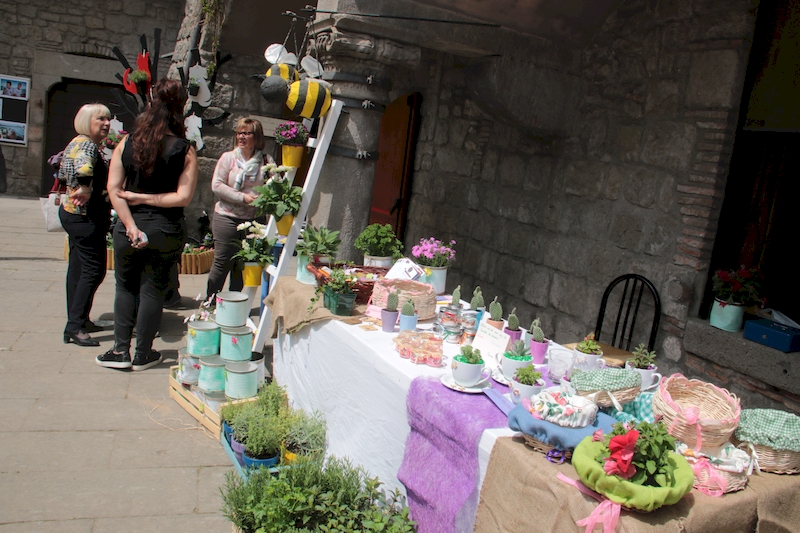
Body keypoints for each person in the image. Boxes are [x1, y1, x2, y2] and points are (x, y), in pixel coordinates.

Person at [96, 79, 198, 370]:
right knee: (153, 290)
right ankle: (143, 353)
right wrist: (148, 199)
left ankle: (119, 351)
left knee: (125, 288)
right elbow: (183, 197)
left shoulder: (126, 143)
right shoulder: (184, 149)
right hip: (165, 229)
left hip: (128, 227)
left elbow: (114, 190)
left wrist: (130, 223)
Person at [59, 103, 112, 347]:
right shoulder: (86, 144)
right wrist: (85, 187)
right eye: (100, 119)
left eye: (108, 119)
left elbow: (62, 173)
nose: (106, 123)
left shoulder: (76, 142)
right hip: (84, 217)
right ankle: (74, 325)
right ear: (87, 120)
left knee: (78, 269)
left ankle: (78, 319)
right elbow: (84, 167)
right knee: (94, 270)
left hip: (74, 214)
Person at [206, 117, 273, 298]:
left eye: (247, 133)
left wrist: (264, 197)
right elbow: (217, 185)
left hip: (254, 221)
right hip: (226, 217)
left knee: (244, 263)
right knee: (222, 262)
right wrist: (243, 197)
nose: (241, 137)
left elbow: (275, 185)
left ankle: (234, 302)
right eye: (239, 133)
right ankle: (210, 302)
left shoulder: (266, 161)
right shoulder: (228, 158)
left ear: (257, 137)